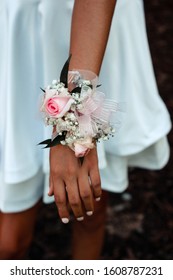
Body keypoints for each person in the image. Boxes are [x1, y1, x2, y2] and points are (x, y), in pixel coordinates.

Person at [0, 0, 171, 260]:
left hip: (87, 24)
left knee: (89, 204)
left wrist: (73, 125)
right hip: (16, 24)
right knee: (9, 243)